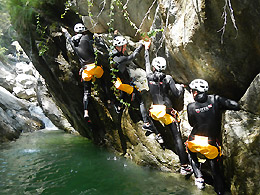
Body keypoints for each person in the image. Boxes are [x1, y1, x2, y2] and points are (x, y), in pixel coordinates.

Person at [143, 40, 192, 175]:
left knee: (149, 115)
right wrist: (181, 88)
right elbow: (176, 94)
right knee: (177, 138)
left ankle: (159, 135)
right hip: (167, 113)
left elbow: (146, 65)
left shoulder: (149, 76)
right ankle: (185, 166)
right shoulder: (168, 78)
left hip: (154, 111)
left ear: (154, 67)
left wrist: (146, 50)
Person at [186, 79, 240, 194]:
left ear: (195, 92)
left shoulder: (190, 106)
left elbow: (191, 123)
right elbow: (235, 105)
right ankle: (219, 191)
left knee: (190, 153)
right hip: (210, 144)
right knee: (215, 168)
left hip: (194, 142)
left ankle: (199, 178)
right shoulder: (215, 99)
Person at [61, 23, 107, 119]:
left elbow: (68, 37)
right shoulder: (86, 38)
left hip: (85, 70)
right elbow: (94, 43)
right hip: (94, 67)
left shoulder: (72, 42)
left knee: (86, 92)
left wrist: (65, 32)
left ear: (75, 31)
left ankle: (86, 112)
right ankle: (109, 100)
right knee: (103, 80)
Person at [110, 35, 153, 131]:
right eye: (124, 46)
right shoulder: (121, 59)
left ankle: (119, 106)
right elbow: (133, 56)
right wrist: (142, 45)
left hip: (118, 81)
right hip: (123, 84)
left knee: (124, 92)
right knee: (141, 99)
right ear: (118, 47)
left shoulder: (113, 55)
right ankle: (146, 123)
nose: (125, 48)